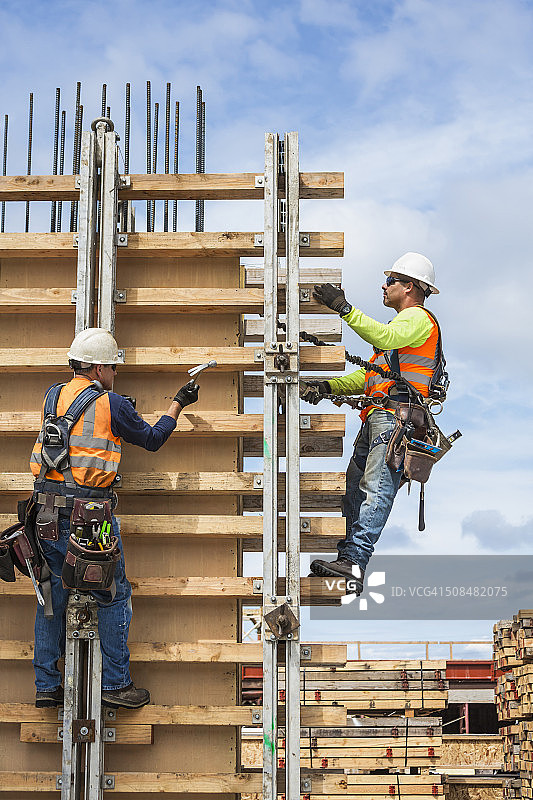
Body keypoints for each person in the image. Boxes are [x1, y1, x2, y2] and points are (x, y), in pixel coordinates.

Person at [30, 328, 199, 709]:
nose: (116, 374)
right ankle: (115, 685)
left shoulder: (52, 395)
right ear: (100, 368)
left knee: (51, 597)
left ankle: (46, 685)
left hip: (45, 514)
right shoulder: (113, 404)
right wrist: (178, 403)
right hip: (90, 517)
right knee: (113, 595)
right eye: (113, 368)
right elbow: (152, 439)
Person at [303, 253, 442, 595]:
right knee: (355, 489)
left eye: (391, 280)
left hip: (395, 420)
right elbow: (369, 376)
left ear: (410, 287)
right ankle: (347, 560)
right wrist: (328, 387)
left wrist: (344, 308)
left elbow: (383, 336)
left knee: (376, 488)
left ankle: (354, 561)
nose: (384, 285)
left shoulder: (417, 319)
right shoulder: (400, 331)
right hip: (380, 418)